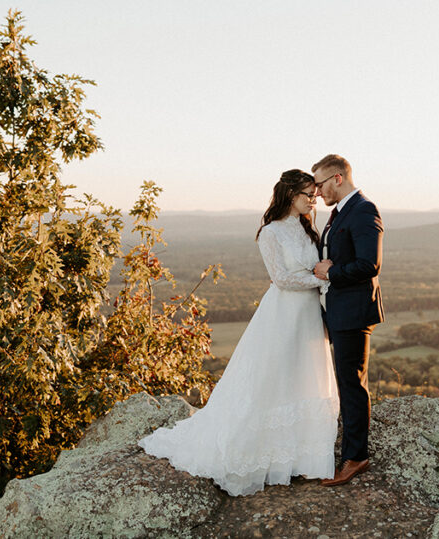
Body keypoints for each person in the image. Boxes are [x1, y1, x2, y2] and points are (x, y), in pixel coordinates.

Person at [137, 170, 339, 496]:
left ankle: (302, 455)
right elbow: (282, 279)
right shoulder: (271, 233)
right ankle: (263, 451)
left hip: (308, 316)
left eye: (314, 194)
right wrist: (325, 279)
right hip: (284, 313)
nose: (313, 199)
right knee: (274, 377)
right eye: (307, 194)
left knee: (303, 375)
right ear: (290, 195)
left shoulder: (307, 228)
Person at [311, 154, 385, 487]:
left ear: (338, 178)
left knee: (351, 385)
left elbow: (370, 264)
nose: (317, 191)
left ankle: (356, 457)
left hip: (354, 313)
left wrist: (332, 272)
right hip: (339, 310)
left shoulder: (364, 210)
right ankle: (350, 452)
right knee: (345, 381)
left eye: (320, 184)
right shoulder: (340, 212)